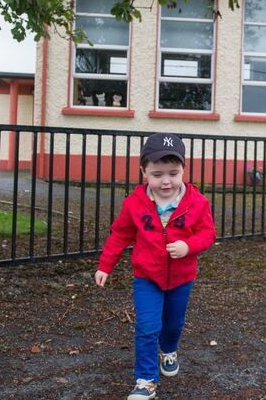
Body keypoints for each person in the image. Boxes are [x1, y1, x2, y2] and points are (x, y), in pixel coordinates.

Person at [94, 133, 216, 400]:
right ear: (144, 172)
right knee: (147, 326)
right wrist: (106, 265)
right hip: (147, 277)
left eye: (173, 173)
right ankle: (146, 380)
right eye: (157, 174)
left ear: (184, 169)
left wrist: (188, 246)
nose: (166, 181)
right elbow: (120, 234)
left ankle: (169, 349)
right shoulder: (135, 203)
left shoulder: (197, 202)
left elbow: (208, 234)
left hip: (182, 278)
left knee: (173, 324)